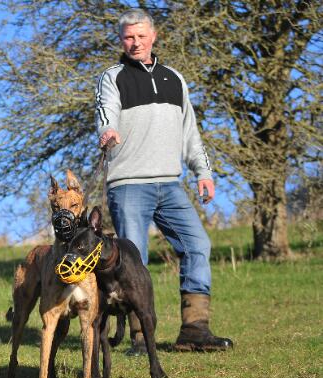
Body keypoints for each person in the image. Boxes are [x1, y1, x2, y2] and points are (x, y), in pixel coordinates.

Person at [95, 8, 233, 353]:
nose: (135, 42)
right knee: (134, 260)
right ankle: (141, 337)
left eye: (141, 36)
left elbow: (190, 132)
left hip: (170, 184)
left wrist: (203, 172)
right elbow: (105, 112)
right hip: (128, 185)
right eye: (129, 36)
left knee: (197, 244)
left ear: (153, 37)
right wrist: (108, 130)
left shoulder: (175, 78)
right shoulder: (112, 77)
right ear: (121, 39)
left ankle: (195, 329)